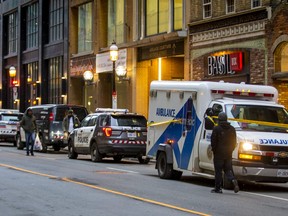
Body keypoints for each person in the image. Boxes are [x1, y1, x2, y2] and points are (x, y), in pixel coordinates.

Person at [211, 112, 239, 194]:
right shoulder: (232, 129)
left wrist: (214, 151)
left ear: (219, 119)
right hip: (228, 153)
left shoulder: (216, 129)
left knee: (218, 171)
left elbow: (213, 142)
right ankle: (233, 180)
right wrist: (231, 150)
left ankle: (218, 188)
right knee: (227, 169)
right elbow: (234, 142)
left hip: (219, 153)